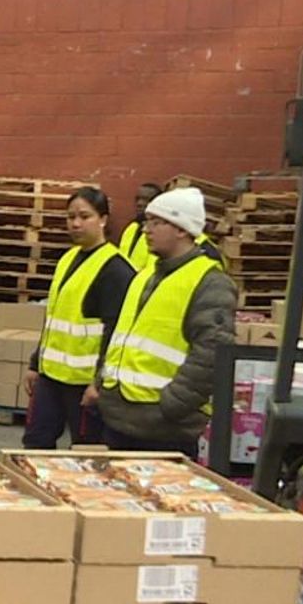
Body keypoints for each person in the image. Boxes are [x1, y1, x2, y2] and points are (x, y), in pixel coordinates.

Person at [89, 186, 237, 456]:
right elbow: (119, 336)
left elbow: (212, 354)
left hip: (164, 430)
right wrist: (102, 383)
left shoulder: (211, 283)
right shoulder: (144, 276)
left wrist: (173, 405)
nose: (146, 229)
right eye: (147, 222)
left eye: (157, 223)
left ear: (182, 229)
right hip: (120, 420)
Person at [21, 188, 136, 448]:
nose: (75, 223)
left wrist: (99, 383)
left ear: (103, 219)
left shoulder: (116, 270)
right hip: (50, 377)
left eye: (85, 216)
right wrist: (35, 363)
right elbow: (54, 319)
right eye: (70, 216)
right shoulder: (68, 259)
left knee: (85, 450)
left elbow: (116, 333)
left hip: (84, 384)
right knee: (35, 442)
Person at [117, 182, 162, 270]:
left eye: (146, 200)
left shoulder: (160, 232)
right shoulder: (131, 227)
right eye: (137, 199)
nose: (140, 203)